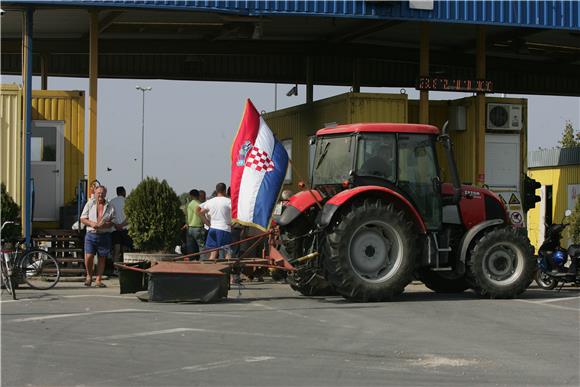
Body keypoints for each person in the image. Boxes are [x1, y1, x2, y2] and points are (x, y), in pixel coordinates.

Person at [80, 185, 116, 287]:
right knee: (89, 256)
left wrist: (105, 224)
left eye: (102, 193)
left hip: (104, 234)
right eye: (98, 192)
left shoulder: (110, 206)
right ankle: (89, 276)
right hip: (91, 234)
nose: (100, 194)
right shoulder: (90, 204)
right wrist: (92, 223)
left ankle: (98, 279)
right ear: (95, 194)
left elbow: (113, 221)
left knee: (102, 257)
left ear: (105, 194)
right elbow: (82, 218)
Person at [197, 182, 231, 260]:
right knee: (227, 252)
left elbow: (200, 212)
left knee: (213, 253)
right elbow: (236, 212)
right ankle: (228, 269)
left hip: (212, 229)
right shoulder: (228, 201)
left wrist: (207, 223)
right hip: (224, 229)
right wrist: (232, 222)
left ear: (216, 190)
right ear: (225, 191)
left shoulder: (210, 201)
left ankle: (210, 269)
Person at [109, 186, 131, 270]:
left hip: (115, 229)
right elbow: (130, 216)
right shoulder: (128, 202)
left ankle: (115, 268)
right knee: (125, 249)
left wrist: (117, 225)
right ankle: (126, 268)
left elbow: (110, 216)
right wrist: (122, 225)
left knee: (116, 249)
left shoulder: (112, 202)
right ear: (124, 192)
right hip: (125, 229)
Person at [180, 189, 204, 258]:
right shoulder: (199, 204)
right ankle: (202, 261)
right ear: (198, 195)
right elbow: (201, 215)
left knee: (191, 246)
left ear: (191, 196)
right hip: (198, 227)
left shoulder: (189, 205)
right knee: (201, 246)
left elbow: (187, 217)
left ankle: (192, 261)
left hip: (190, 228)